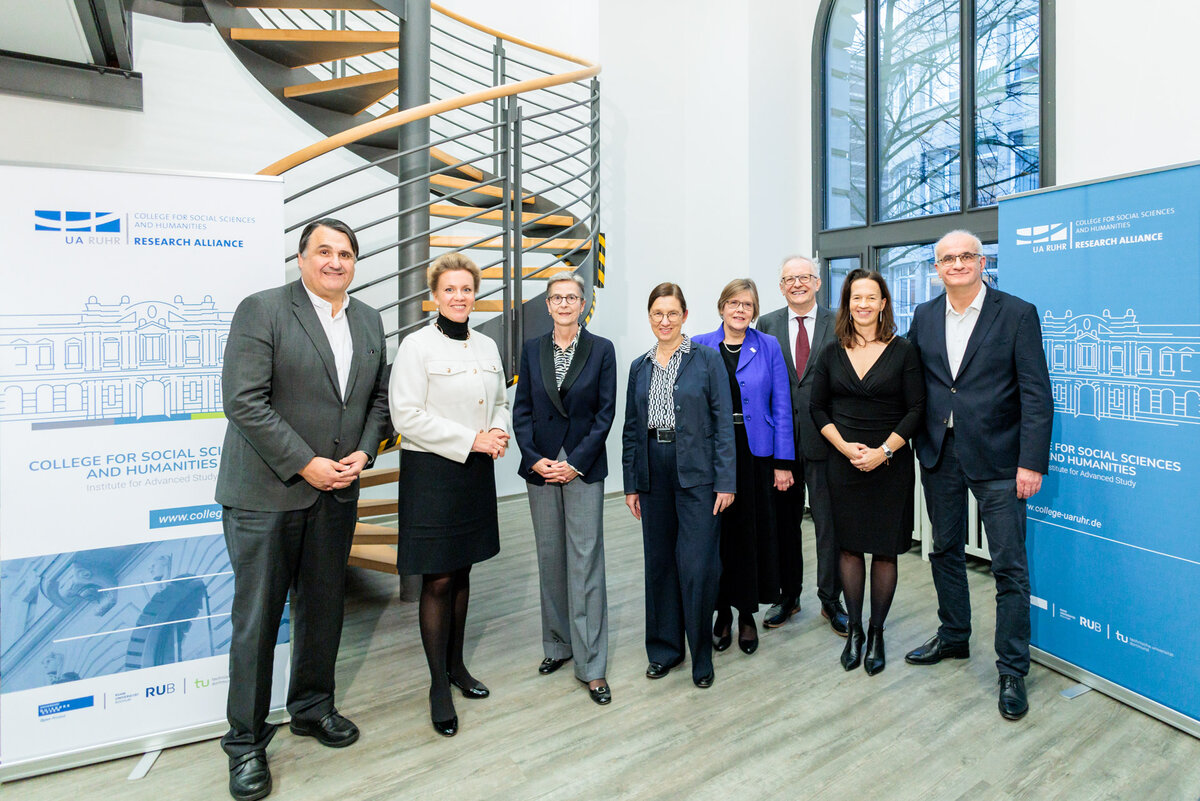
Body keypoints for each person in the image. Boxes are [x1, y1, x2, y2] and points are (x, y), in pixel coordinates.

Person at [215, 218, 390, 801]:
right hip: (267, 495)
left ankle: (313, 707)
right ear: (301, 257)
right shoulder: (262, 310)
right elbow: (243, 401)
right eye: (324, 251)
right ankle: (245, 743)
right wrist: (306, 463)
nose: (335, 262)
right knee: (259, 620)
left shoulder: (367, 319)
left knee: (322, 610)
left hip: (338, 491)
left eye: (346, 253)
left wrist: (365, 451)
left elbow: (378, 399)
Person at [903, 230, 1052, 721]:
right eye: (948, 258)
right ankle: (953, 636)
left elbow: (1036, 394)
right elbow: (911, 379)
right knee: (943, 549)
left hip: (1001, 462)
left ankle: (1012, 669)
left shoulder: (1016, 313)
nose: (958, 264)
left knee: (1009, 567)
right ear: (937, 267)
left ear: (982, 261)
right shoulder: (924, 316)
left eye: (966, 255)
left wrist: (1031, 462)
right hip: (941, 454)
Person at [389, 252, 510, 737]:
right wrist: (472, 440)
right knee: (437, 580)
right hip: (433, 473)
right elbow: (406, 416)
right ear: (433, 297)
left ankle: (457, 667)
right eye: (450, 290)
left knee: (462, 572)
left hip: (475, 471)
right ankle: (438, 684)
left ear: (474, 295)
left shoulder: (487, 345)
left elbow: (501, 401)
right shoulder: (416, 347)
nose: (459, 297)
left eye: (466, 289)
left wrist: (498, 433)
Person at [810, 269, 925, 676]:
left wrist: (883, 452)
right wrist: (842, 447)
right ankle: (855, 630)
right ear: (848, 303)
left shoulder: (904, 350)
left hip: (889, 466)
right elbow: (817, 408)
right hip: (842, 465)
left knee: (885, 551)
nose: (862, 304)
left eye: (870, 297)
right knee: (848, 548)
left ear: (883, 303)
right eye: (855, 297)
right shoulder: (831, 351)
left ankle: (877, 632)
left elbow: (916, 410)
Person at [622, 283, 735, 689]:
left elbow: (723, 424)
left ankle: (701, 654)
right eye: (657, 314)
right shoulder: (639, 366)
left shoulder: (706, 360)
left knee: (698, 566)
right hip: (654, 471)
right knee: (660, 564)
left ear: (685, 316)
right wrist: (632, 483)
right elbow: (632, 429)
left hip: (699, 474)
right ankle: (665, 650)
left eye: (672, 313)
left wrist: (726, 481)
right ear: (649, 318)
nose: (665, 321)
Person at [512, 271, 617, 706]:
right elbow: (521, 411)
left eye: (572, 297)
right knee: (551, 557)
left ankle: (591, 665)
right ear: (548, 304)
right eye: (557, 298)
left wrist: (573, 463)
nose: (564, 304)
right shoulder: (532, 349)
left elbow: (605, 415)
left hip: (581, 468)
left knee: (585, 561)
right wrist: (536, 458)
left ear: (582, 303)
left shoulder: (602, 349)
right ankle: (557, 645)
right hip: (541, 467)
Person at [693, 279, 794, 656]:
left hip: (756, 453)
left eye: (747, 305)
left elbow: (781, 405)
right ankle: (721, 612)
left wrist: (783, 462)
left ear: (754, 311)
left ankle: (747, 613)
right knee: (717, 535)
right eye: (733, 303)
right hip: (712, 453)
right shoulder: (700, 344)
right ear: (721, 307)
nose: (740, 310)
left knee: (751, 535)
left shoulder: (767, 346)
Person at [756, 256, 850, 634]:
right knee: (783, 525)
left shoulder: (837, 322)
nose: (796, 284)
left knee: (829, 526)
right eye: (788, 279)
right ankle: (787, 595)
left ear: (817, 282)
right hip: (780, 446)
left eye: (803, 277)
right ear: (780, 287)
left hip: (826, 442)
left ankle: (831, 599)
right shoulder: (767, 325)